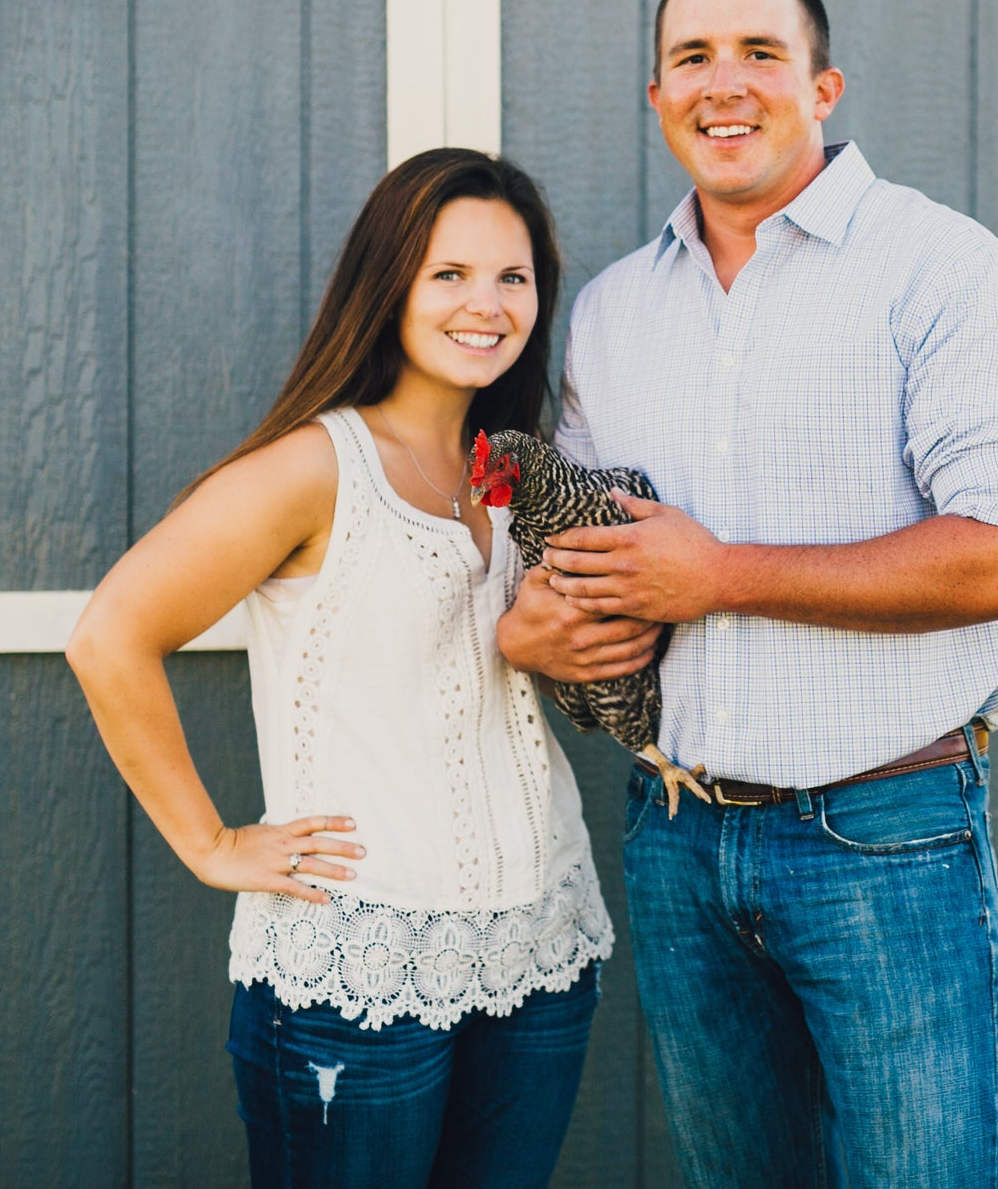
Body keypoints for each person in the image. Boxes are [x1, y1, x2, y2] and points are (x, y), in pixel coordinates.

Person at [496, 0, 998, 1188]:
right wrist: (539, 628)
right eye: (691, 58)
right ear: (657, 98)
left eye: (758, 53)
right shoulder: (611, 310)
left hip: (883, 833)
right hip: (674, 835)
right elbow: (584, 553)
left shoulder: (942, 268)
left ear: (823, 88)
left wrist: (720, 576)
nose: (723, 83)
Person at [68, 149, 612, 1189]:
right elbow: (110, 635)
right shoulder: (313, 468)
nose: (487, 304)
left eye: (513, 276)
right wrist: (211, 842)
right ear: (388, 284)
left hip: (540, 947)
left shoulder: (519, 468)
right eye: (449, 274)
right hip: (356, 975)